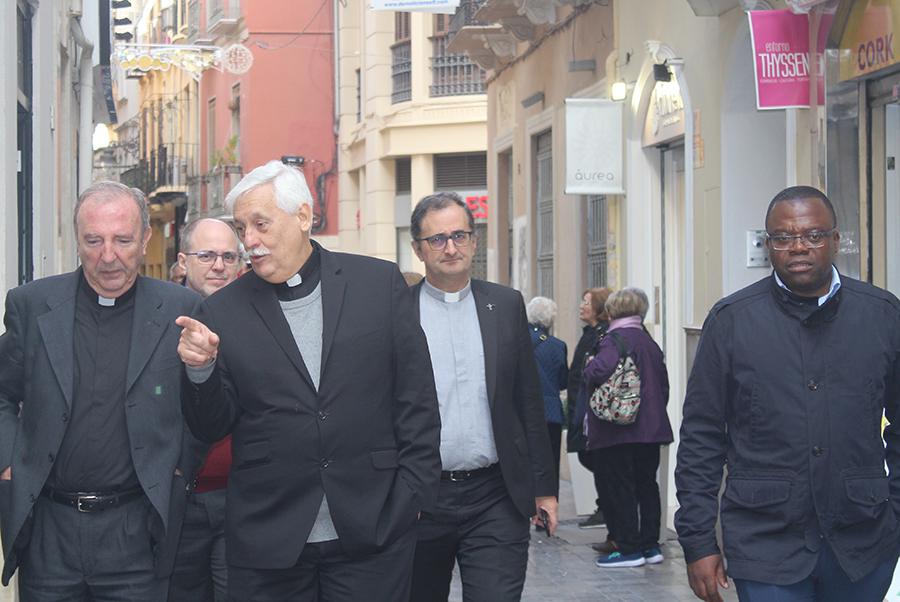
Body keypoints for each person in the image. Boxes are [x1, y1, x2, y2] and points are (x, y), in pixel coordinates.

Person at [176, 160, 441, 601]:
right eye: (242, 228)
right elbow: (210, 426)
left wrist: (413, 496)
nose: (249, 240)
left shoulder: (377, 284)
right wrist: (200, 371)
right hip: (269, 539)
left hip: (374, 529)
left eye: (260, 224)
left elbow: (417, 400)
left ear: (302, 216)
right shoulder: (222, 311)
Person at [675, 186, 900, 602]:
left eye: (813, 235)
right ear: (768, 245)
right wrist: (698, 540)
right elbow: (701, 437)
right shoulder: (731, 321)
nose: (798, 246)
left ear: (835, 240)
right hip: (765, 541)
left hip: (863, 540)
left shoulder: (882, 315)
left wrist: (896, 515)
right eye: (783, 237)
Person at [0, 181, 200, 600]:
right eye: (93, 241)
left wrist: (178, 466)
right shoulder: (32, 305)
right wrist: (9, 462)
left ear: (144, 239)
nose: (108, 256)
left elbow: (203, 406)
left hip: (137, 530)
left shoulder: (181, 310)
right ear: (77, 239)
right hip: (49, 529)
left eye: (122, 240)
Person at [408, 192, 558, 602]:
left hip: (496, 496)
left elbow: (528, 400)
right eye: (437, 239)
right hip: (422, 501)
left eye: (459, 235)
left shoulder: (505, 305)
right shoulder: (397, 312)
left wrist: (544, 488)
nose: (450, 248)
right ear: (418, 249)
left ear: (474, 241)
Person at [167, 218, 243, 601]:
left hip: (241, 500)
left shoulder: (255, 318)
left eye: (229, 256)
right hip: (177, 502)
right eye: (207, 255)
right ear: (183, 261)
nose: (219, 266)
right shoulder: (159, 318)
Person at [583, 287, 672, 568]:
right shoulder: (648, 341)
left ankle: (629, 548)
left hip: (618, 430)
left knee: (619, 488)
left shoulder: (614, 340)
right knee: (647, 486)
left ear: (612, 311)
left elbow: (598, 371)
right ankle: (650, 546)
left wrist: (589, 364)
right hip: (651, 430)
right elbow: (663, 386)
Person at [568, 288, 613, 532]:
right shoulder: (590, 334)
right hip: (581, 408)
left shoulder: (602, 336)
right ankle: (604, 504)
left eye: (586, 302)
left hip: (593, 411)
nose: (581, 306)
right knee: (587, 455)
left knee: (596, 458)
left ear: (599, 307)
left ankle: (606, 506)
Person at [525, 296, 568, 496]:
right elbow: (563, 381)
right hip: (551, 414)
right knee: (550, 465)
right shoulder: (557, 346)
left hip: (524, 413)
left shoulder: (517, 341)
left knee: (525, 464)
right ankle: (549, 507)